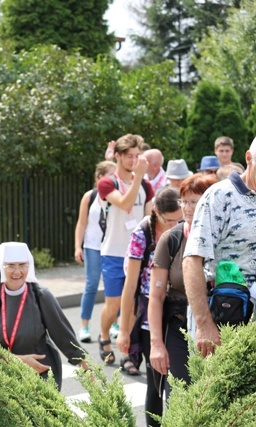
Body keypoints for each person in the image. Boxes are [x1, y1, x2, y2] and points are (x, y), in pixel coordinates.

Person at [148, 173, 218, 407]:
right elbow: (156, 297)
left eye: (194, 202)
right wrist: (156, 344)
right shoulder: (172, 239)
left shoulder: (223, 237)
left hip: (219, 328)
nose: (187, 208)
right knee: (179, 399)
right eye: (184, 201)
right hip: (178, 328)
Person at [184, 137, 256, 358]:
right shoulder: (220, 196)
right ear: (248, 158)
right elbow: (191, 261)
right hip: (224, 321)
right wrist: (204, 325)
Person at [116, 187, 181, 426]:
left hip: (177, 310)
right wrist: (124, 330)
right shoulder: (142, 234)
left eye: (179, 219)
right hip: (148, 312)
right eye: (169, 220)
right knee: (156, 383)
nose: (175, 225)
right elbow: (130, 286)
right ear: (156, 212)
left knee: (179, 380)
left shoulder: (185, 230)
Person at [0, 242, 87, 390]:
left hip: (40, 372)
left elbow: (63, 334)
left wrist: (87, 369)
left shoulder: (40, 295)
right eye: (11, 265)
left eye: (22, 265)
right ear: (0, 266)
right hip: (1, 374)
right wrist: (17, 361)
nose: (17, 272)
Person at [97, 134, 154, 366]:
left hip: (136, 254)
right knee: (113, 305)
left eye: (136, 155)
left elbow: (149, 217)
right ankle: (103, 337)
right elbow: (126, 204)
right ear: (118, 156)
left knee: (130, 306)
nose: (133, 160)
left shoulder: (146, 185)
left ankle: (127, 353)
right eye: (129, 156)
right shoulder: (107, 183)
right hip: (113, 252)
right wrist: (138, 176)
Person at [74, 160, 116, 343]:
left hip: (112, 247)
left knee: (113, 287)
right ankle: (84, 325)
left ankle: (114, 323)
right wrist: (77, 246)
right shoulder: (89, 196)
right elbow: (82, 223)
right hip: (92, 246)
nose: (114, 179)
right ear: (99, 177)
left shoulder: (117, 196)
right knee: (91, 285)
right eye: (110, 175)